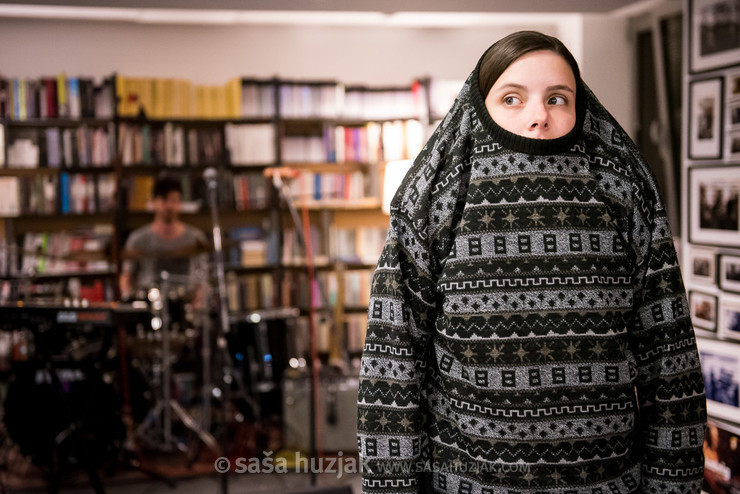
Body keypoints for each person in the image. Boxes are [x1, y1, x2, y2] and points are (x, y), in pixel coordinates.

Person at [357, 31, 707, 493]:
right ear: (481, 108)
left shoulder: (625, 191)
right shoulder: (436, 200)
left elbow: (669, 358)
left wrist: (675, 484)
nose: (539, 116)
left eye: (558, 98)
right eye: (512, 98)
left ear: (579, 107)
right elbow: (394, 359)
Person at [119, 175, 209, 300]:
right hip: (149, 305)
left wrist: (198, 304)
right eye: (164, 200)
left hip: (185, 305)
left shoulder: (196, 238)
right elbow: (126, 276)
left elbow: (203, 279)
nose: (169, 206)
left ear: (180, 203)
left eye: (174, 200)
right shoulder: (138, 239)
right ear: (153, 202)